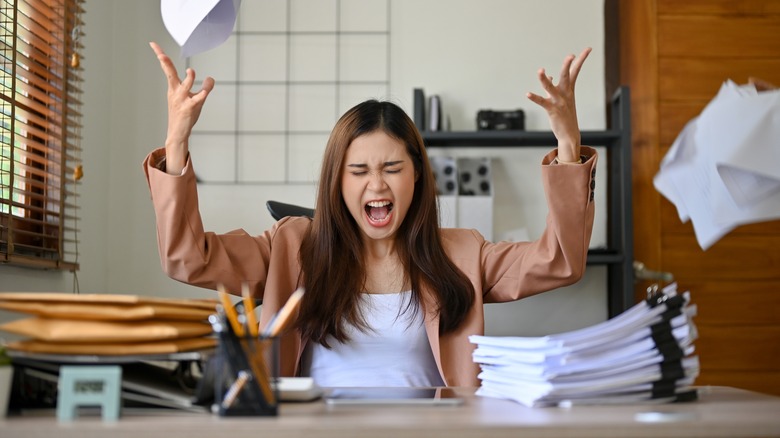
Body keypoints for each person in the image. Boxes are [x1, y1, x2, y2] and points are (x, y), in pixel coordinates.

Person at [144, 42, 598, 387]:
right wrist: (178, 142)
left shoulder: (460, 253)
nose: (376, 185)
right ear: (337, 182)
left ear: (417, 175)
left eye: (392, 168)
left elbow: (559, 260)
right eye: (358, 170)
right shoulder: (290, 246)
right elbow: (188, 257)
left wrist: (567, 147)